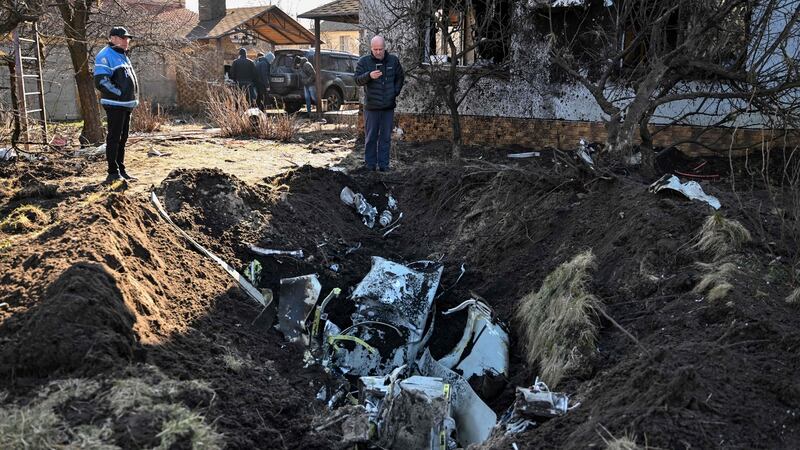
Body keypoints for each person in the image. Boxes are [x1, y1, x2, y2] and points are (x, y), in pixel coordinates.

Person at [94, 26, 140, 183]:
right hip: (115, 104)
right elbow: (101, 81)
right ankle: (112, 172)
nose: (126, 41)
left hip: (126, 104)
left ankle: (121, 169)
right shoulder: (105, 55)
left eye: (127, 38)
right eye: (123, 38)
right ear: (113, 38)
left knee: (123, 138)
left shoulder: (122, 55)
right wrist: (119, 94)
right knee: (114, 138)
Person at [355, 35, 404, 172]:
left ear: (384, 48)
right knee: (371, 137)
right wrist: (369, 76)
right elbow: (357, 80)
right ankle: (370, 165)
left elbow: (400, 77)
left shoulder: (393, 61)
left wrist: (395, 92)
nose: (377, 52)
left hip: (388, 107)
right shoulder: (364, 62)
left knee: (385, 138)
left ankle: (384, 165)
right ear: (371, 48)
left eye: (380, 49)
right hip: (371, 107)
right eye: (375, 49)